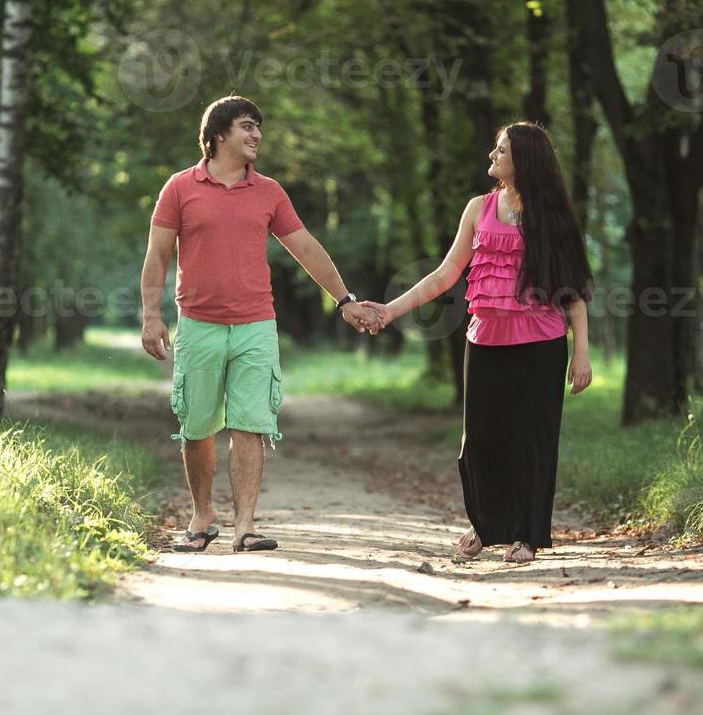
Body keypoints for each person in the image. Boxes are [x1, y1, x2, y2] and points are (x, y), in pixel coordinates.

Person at [140, 96, 382, 553]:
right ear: (218, 135)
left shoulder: (269, 191)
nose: (257, 136)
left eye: (258, 128)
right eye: (248, 127)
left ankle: (245, 525)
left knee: (251, 424)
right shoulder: (179, 188)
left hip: (255, 324)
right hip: (198, 325)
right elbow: (156, 255)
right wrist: (151, 315)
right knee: (197, 427)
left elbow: (305, 246)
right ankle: (202, 516)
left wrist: (344, 299)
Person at [365, 122, 592, 564]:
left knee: (531, 437)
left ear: (522, 160)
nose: (492, 155)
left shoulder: (553, 215)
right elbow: (446, 274)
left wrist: (581, 352)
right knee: (482, 438)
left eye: (501, 149)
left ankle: (526, 536)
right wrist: (390, 310)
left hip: (540, 343)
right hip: (485, 340)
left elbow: (572, 289)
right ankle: (487, 527)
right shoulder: (478, 208)